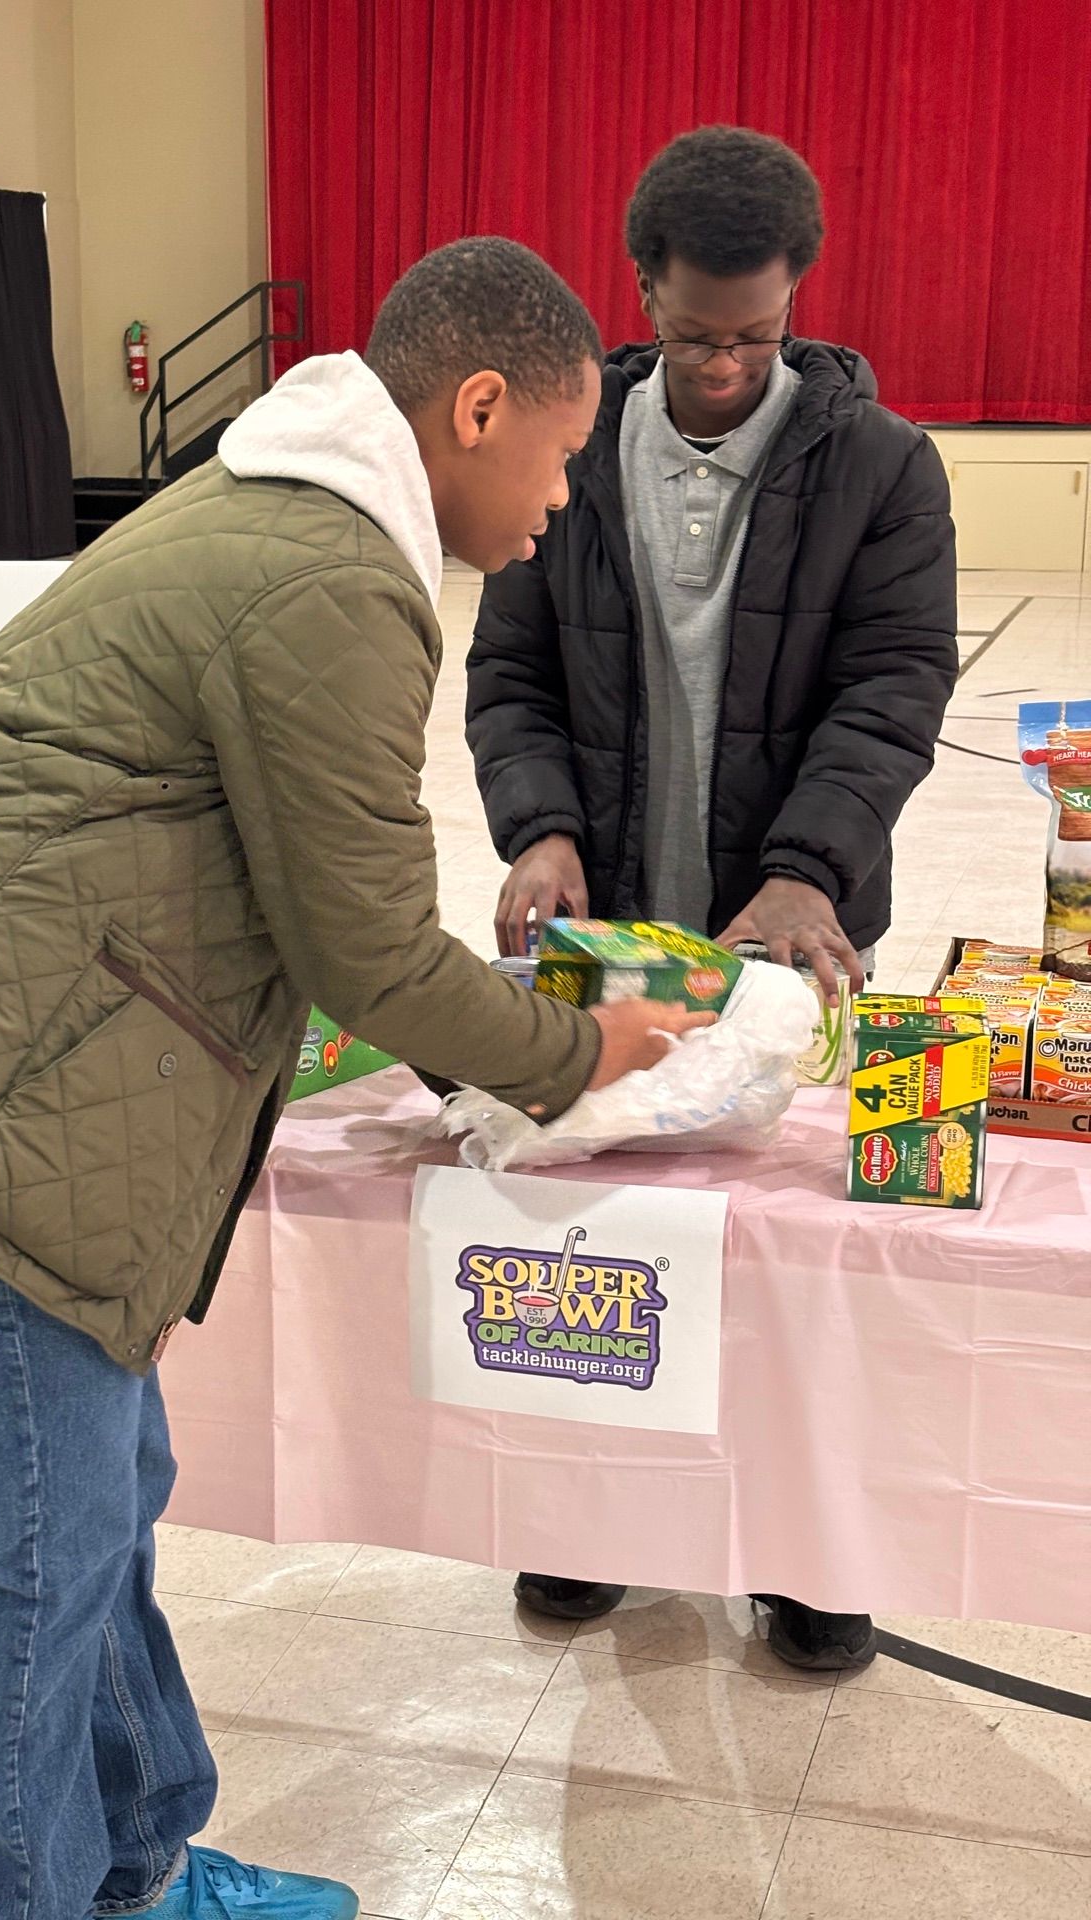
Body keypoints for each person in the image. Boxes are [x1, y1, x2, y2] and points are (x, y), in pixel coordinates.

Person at [0, 238, 713, 1920]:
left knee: (100, 1499)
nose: (557, 501)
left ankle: (139, 1866)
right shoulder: (331, 577)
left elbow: (288, 908)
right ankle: (21, 1904)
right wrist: (582, 1052)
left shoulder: (273, 512)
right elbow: (368, 950)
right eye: (558, 455)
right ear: (476, 409)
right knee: (38, 1547)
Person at [465, 129, 958, 1671]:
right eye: (696, 337)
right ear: (643, 294)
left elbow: (893, 691)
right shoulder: (566, 448)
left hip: (790, 932)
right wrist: (541, 830)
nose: (728, 367)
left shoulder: (883, 467)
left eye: (757, 335)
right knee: (603, 1235)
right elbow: (511, 671)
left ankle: (804, 1553)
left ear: (798, 299)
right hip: (611, 927)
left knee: (789, 1257)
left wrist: (808, 871)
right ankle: (594, 1518)